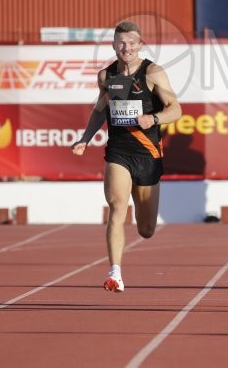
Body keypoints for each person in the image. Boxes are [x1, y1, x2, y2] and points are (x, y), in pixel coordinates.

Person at [72, 21, 182, 293]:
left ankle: (131, 245)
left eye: (132, 43)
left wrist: (153, 118)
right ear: (113, 45)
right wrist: (85, 139)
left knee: (146, 229)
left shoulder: (153, 72)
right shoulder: (106, 76)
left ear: (140, 44)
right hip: (118, 152)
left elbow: (176, 109)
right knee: (117, 207)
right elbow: (100, 110)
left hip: (148, 154)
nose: (127, 48)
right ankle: (115, 272)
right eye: (121, 43)